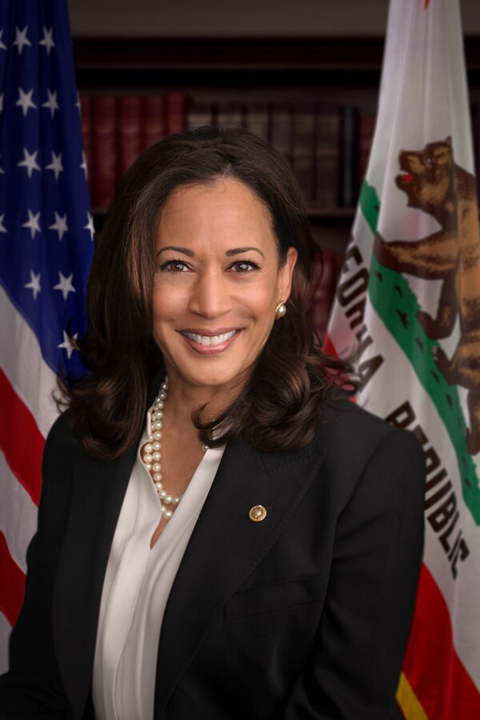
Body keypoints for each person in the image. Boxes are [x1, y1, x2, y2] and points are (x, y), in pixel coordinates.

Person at [0, 126, 425, 720]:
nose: (209, 302)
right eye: (176, 265)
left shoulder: (368, 470)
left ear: (283, 279)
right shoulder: (80, 445)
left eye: (242, 266)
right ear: (137, 276)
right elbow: (37, 683)